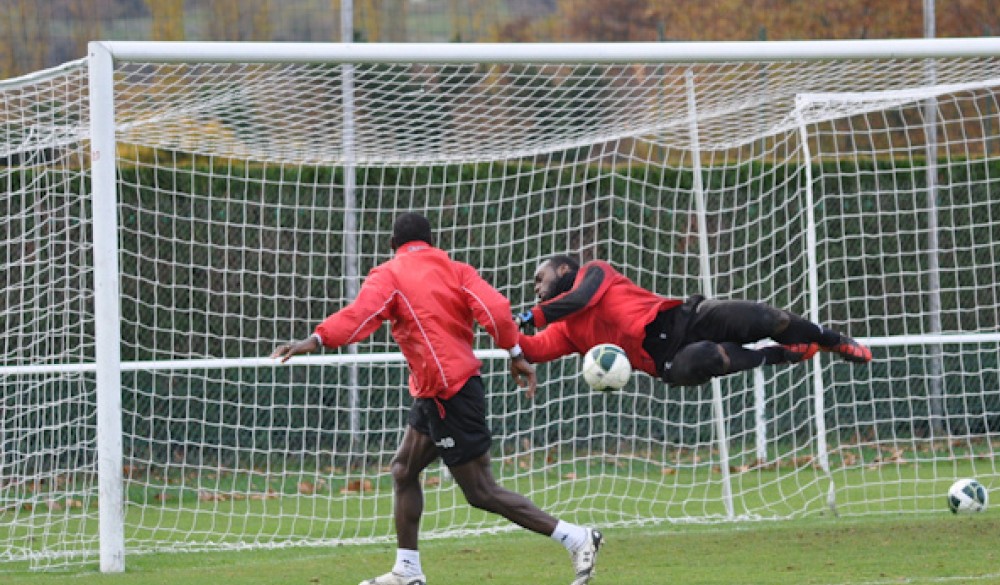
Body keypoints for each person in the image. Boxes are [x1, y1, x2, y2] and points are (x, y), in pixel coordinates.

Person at [271, 214, 603, 585]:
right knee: (403, 470)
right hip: (437, 390)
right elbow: (493, 310)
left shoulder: (390, 273)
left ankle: (576, 538)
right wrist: (513, 351)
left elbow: (360, 314)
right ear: (430, 242)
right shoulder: (456, 269)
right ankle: (407, 571)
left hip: (450, 392)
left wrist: (316, 339)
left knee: (481, 491)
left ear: (392, 244)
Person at [514, 255, 871, 389]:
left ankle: (832, 339)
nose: (536, 290)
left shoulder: (594, 271)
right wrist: (500, 327)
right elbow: (532, 348)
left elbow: (580, 299)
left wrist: (534, 315)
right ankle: (783, 355)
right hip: (665, 361)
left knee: (768, 317)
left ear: (563, 270)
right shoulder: (564, 331)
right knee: (708, 358)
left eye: (538, 280)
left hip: (685, 317)